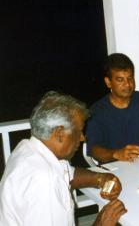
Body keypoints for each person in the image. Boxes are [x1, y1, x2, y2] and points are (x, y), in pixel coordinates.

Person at [0, 91, 127, 226]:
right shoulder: (44, 181)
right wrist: (101, 223)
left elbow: (69, 173)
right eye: (79, 131)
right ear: (60, 133)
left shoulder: (28, 149)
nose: (83, 138)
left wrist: (101, 178)